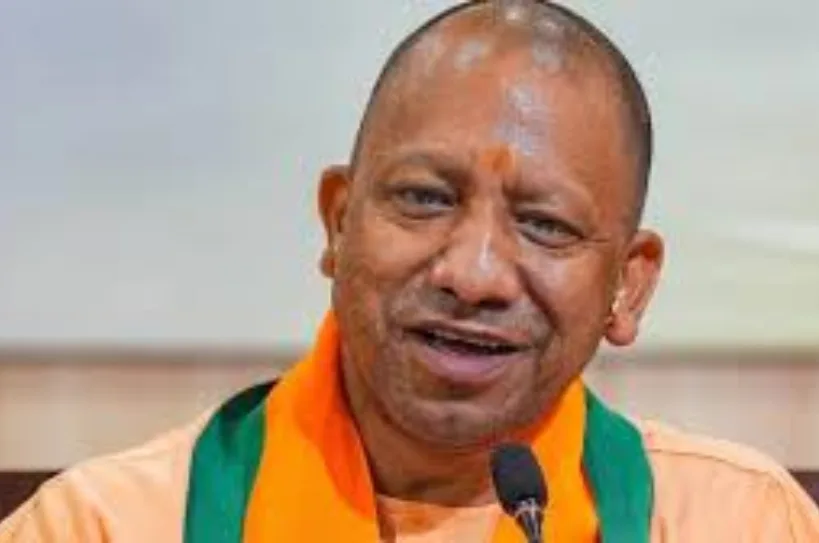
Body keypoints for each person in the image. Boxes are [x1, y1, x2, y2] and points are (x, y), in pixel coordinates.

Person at [2, 0, 817, 541]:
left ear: (627, 286)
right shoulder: (102, 526)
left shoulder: (736, 520)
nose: (473, 273)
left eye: (544, 224)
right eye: (424, 198)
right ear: (337, 220)